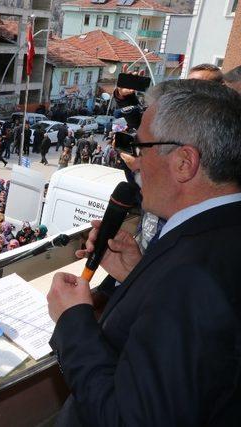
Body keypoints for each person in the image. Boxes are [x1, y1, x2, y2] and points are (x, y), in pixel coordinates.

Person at [47, 79, 241, 425]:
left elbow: (130, 419)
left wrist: (72, 320)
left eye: (141, 148)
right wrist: (136, 275)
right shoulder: (220, 231)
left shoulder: (193, 277)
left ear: (185, 163)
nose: (134, 164)